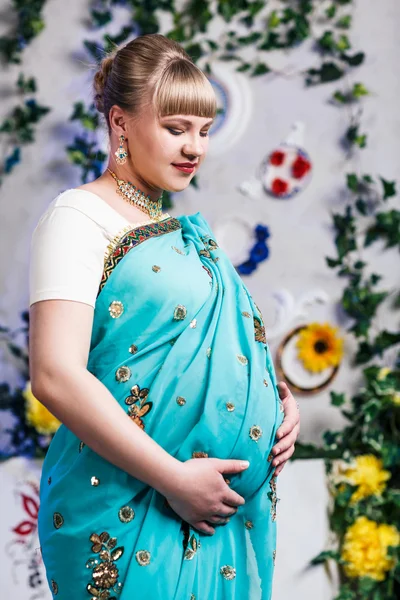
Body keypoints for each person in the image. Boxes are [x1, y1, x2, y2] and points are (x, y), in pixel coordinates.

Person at [29, 33, 300, 600]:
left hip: (207, 516)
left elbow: (209, 350)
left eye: (203, 130)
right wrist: (174, 478)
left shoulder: (182, 235)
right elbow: (55, 375)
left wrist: (274, 403)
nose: (195, 147)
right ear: (121, 123)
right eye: (177, 128)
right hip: (124, 507)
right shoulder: (79, 217)